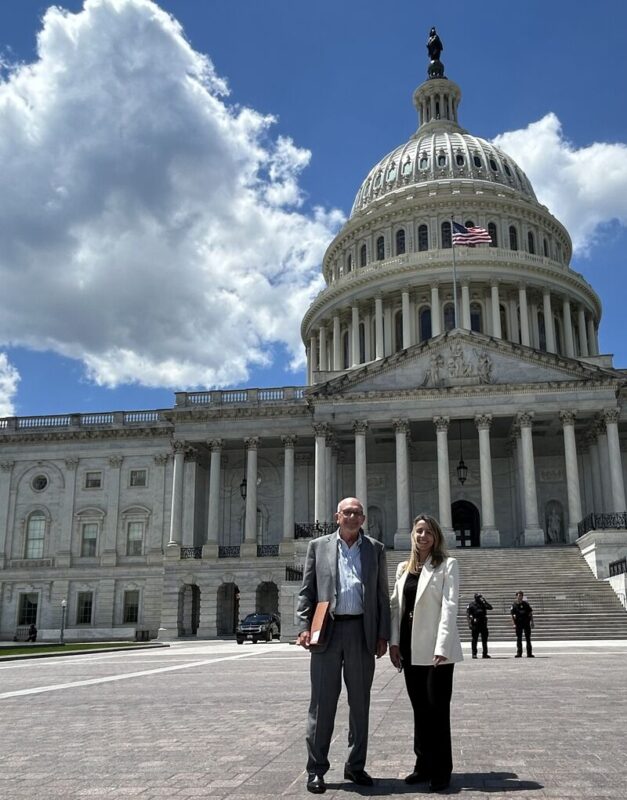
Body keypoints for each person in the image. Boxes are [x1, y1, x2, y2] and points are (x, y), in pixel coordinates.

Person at [296, 497, 390, 794]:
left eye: (357, 513)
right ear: (337, 517)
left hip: (362, 631)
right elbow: (307, 591)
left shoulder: (375, 549)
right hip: (328, 630)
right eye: (347, 512)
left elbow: (381, 595)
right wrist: (303, 626)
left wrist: (383, 634)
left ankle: (355, 766)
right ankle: (316, 769)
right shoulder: (318, 546)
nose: (352, 517)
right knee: (322, 703)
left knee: (360, 703)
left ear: (364, 519)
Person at [389, 514, 463, 793]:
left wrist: (442, 647)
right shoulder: (403, 568)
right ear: (413, 535)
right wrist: (394, 643)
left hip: (435, 650)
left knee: (437, 710)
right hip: (409, 648)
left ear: (436, 537)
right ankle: (423, 765)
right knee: (420, 709)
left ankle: (442, 770)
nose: (423, 536)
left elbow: (450, 606)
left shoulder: (447, 565)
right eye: (419, 531)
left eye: (429, 532)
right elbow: (396, 608)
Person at [466, 593, 493, 659]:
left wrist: (485, 601)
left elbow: (490, 607)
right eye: (478, 597)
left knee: (484, 640)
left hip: (483, 624)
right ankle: (474, 654)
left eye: (480, 597)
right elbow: (468, 615)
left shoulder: (483, 604)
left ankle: (485, 654)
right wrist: (469, 624)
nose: (480, 598)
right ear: (475, 598)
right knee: (474, 640)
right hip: (475, 624)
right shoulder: (471, 605)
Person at [510, 591, 534, 657]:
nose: (520, 597)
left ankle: (529, 653)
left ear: (522, 596)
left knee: (528, 638)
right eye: (518, 596)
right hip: (518, 623)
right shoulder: (514, 605)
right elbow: (512, 615)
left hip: (526, 623)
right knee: (519, 638)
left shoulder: (526, 604)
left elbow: (530, 613)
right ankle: (519, 653)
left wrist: (532, 622)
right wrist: (513, 624)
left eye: (521, 596)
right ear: (516, 596)